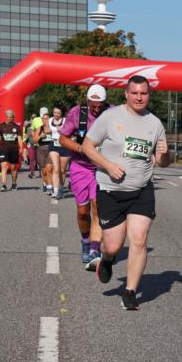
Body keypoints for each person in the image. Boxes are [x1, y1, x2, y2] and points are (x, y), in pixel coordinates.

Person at [82, 75, 172, 309]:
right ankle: (108, 259)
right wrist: (108, 166)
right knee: (112, 245)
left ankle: (130, 291)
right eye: (135, 93)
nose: (139, 97)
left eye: (143, 93)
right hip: (111, 190)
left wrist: (164, 154)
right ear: (126, 94)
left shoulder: (155, 123)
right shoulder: (110, 117)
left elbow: (163, 163)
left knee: (139, 240)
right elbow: (87, 146)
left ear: (148, 95)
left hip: (141, 190)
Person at [60, 85, 110, 270]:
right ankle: (86, 240)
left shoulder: (111, 113)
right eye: (93, 105)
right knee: (83, 211)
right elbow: (63, 139)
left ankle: (95, 250)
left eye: (100, 106)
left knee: (97, 207)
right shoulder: (77, 113)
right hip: (80, 166)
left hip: (102, 167)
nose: (96, 109)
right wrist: (82, 148)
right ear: (88, 101)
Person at [0, 109, 23, 191]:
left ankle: (14, 184)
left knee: (13, 168)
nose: (9, 119)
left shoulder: (17, 127)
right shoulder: (1, 126)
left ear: (13, 118)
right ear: (5, 117)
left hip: (14, 149)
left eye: (10, 117)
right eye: (7, 117)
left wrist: (21, 147)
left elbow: (19, 138)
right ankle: (4, 185)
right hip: (3, 149)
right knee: (3, 166)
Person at [48, 104, 71, 199]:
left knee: (62, 170)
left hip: (64, 145)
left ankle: (61, 188)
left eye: (58, 113)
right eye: (54, 112)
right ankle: (55, 191)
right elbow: (47, 130)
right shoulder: (50, 120)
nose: (56, 114)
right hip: (54, 144)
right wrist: (54, 129)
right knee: (56, 169)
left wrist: (62, 129)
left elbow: (69, 130)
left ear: (61, 113)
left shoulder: (65, 120)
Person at [37, 108, 56, 193]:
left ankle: (50, 187)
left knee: (49, 169)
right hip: (41, 150)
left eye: (47, 119)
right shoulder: (39, 128)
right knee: (44, 171)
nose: (45, 120)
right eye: (43, 119)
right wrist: (40, 136)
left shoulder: (53, 128)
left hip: (51, 149)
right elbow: (34, 140)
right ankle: (46, 183)